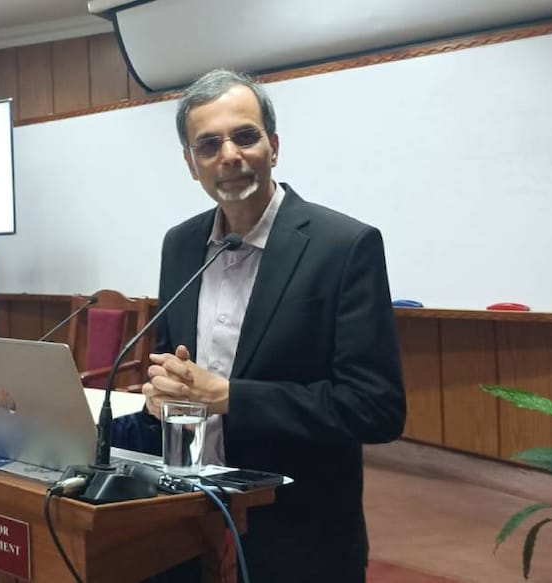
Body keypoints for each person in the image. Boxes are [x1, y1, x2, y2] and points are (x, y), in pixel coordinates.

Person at [142, 69, 406, 582]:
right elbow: (170, 366)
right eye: (209, 144)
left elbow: (376, 408)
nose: (230, 156)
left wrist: (230, 396)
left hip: (297, 534)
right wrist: (159, 397)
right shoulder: (180, 245)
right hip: (183, 523)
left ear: (274, 145)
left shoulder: (343, 246)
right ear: (191, 164)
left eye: (245, 136)